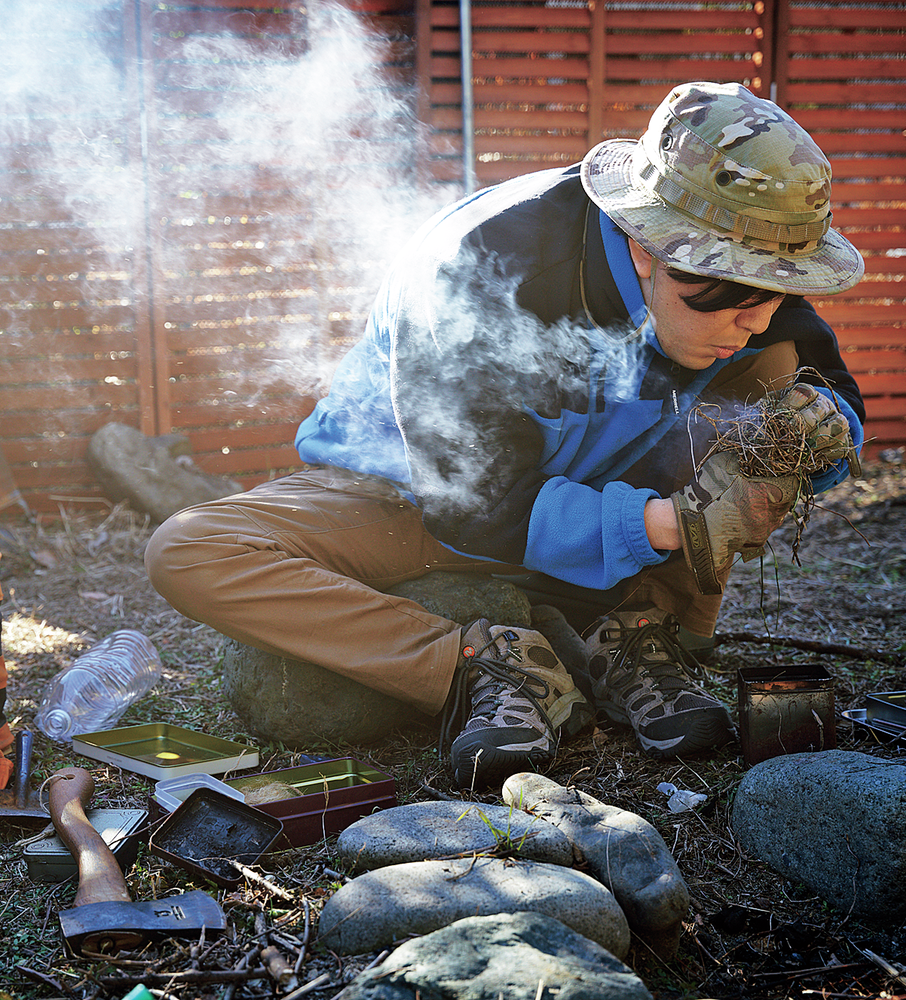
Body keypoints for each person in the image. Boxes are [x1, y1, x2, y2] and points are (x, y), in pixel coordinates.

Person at [145, 82, 865, 788]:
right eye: (734, 294)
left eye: (776, 289)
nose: (757, 315)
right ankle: (483, 661)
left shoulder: (741, 269)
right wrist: (673, 526)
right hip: (408, 498)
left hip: (585, 501)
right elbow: (471, 508)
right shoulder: (482, 269)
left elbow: (824, 378)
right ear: (647, 246)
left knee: (777, 369)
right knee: (188, 550)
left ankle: (631, 635)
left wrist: (817, 436)